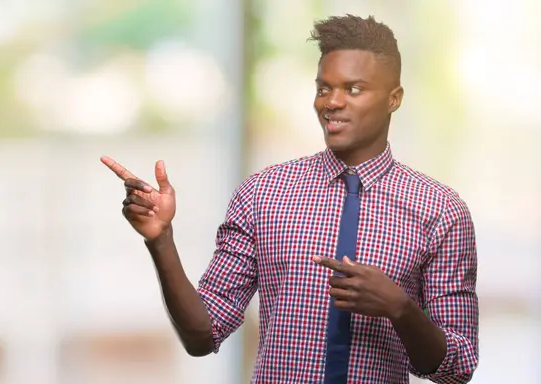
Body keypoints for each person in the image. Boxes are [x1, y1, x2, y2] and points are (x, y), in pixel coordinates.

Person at [100, 14, 479, 384]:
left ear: (394, 98)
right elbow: (202, 335)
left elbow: (457, 369)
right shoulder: (262, 194)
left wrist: (400, 309)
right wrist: (160, 240)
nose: (332, 102)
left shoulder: (441, 211)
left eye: (354, 89)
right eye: (323, 88)